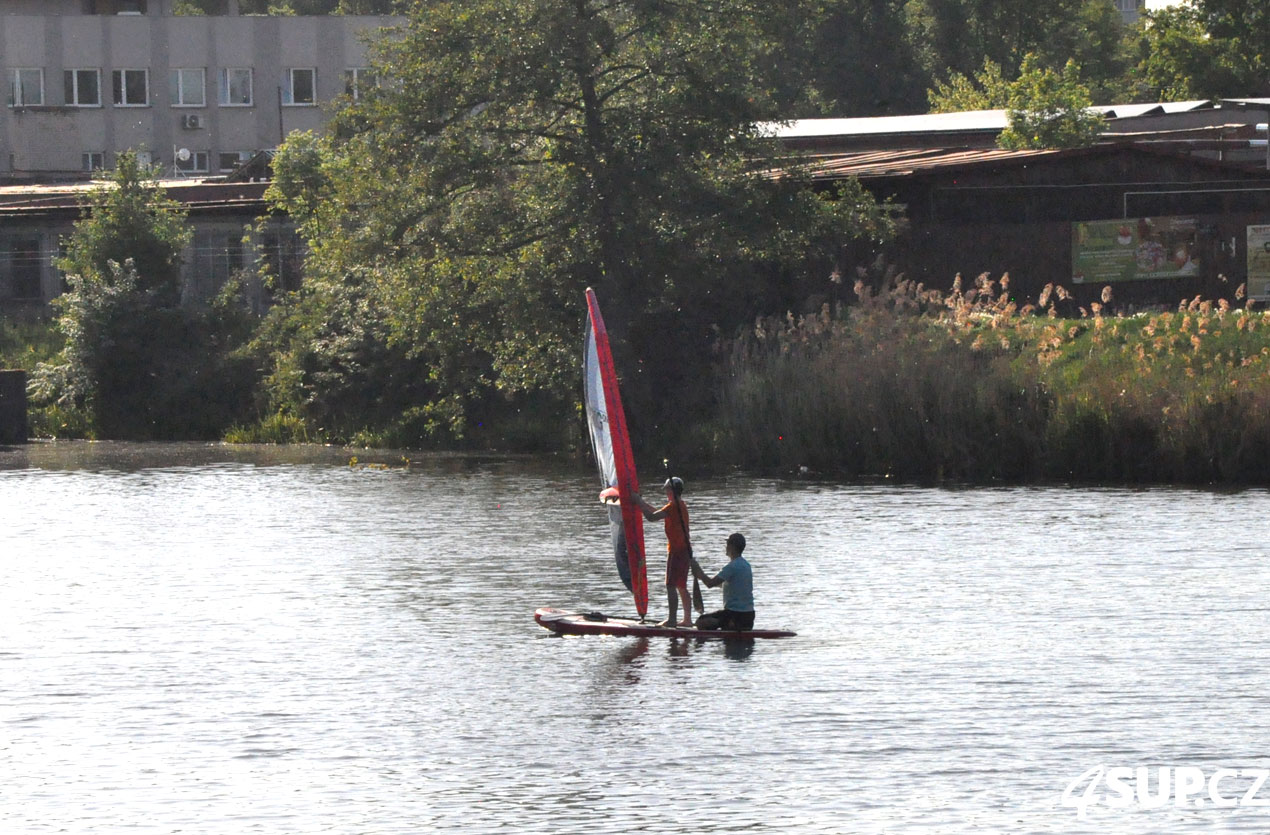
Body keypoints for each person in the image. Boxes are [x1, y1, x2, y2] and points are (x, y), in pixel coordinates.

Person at [634, 477, 693, 627]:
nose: (666, 492)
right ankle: (687, 620)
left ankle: (672, 620)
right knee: (681, 585)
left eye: (667, 489)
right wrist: (643, 503)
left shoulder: (673, 507)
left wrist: (637, 502)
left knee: (670, 585)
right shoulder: (680, 506)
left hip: (676, 551)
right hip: (685, 551)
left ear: (672, 491)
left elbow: (651, 517)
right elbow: (660, 513)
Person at [690, 532, 755, 631]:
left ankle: (725, 629)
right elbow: (725, 584)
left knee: (700, 622)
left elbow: (710, 584)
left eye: (727, 544)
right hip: (749, 616)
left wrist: (699, 572)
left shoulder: (731, 567)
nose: (726, 547)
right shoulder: (746, 565)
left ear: (732, 547)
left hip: (735, 615)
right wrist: (700, 575)